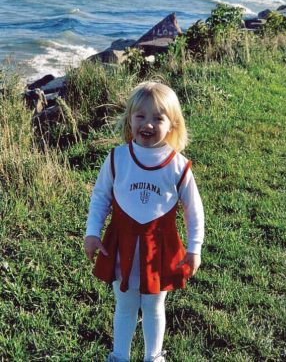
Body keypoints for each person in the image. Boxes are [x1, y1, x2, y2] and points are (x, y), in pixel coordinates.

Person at [84, 81, 204, 362]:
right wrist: (92, 232)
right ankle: (119, 356)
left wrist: (194, 247)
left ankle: (154, 356)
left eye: (158, 118)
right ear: (129, 119)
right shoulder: (117, 158)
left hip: (159, 249)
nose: (147, 124)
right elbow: (100, 197)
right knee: (124, 304)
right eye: (141, 116)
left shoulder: (178, 165)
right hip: (121, 244)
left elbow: (193, 210)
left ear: (172, 125)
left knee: (154, 305)